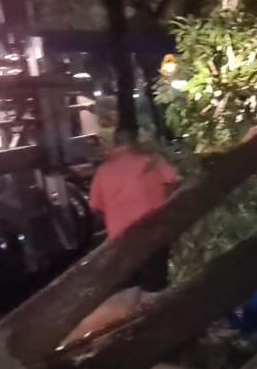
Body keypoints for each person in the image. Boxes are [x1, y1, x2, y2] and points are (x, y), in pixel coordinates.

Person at [65, 129, 179, 343]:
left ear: (112, 146)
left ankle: (128, 333)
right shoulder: (151, 161)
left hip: (122, 241)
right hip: (155, 233)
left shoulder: (103, 171)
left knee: (128, 287)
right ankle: (157, 331)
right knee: (155, 284)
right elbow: (174, 180)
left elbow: (95, 206)